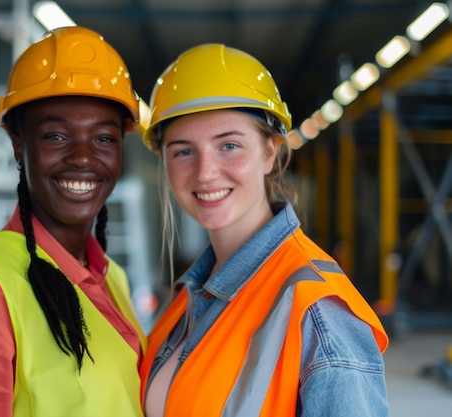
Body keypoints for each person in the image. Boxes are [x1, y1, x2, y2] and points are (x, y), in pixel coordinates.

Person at [0, 26, 146, 417]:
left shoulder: (110, 276)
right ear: (19, 145)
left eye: (104, 138)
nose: (84, 158)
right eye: (56, 136)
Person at [139, 43, 389, 417]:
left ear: (270, 152)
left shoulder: (318, 314)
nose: (205, 172)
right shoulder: (189, 297)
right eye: (183, 151)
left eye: (228, 145)